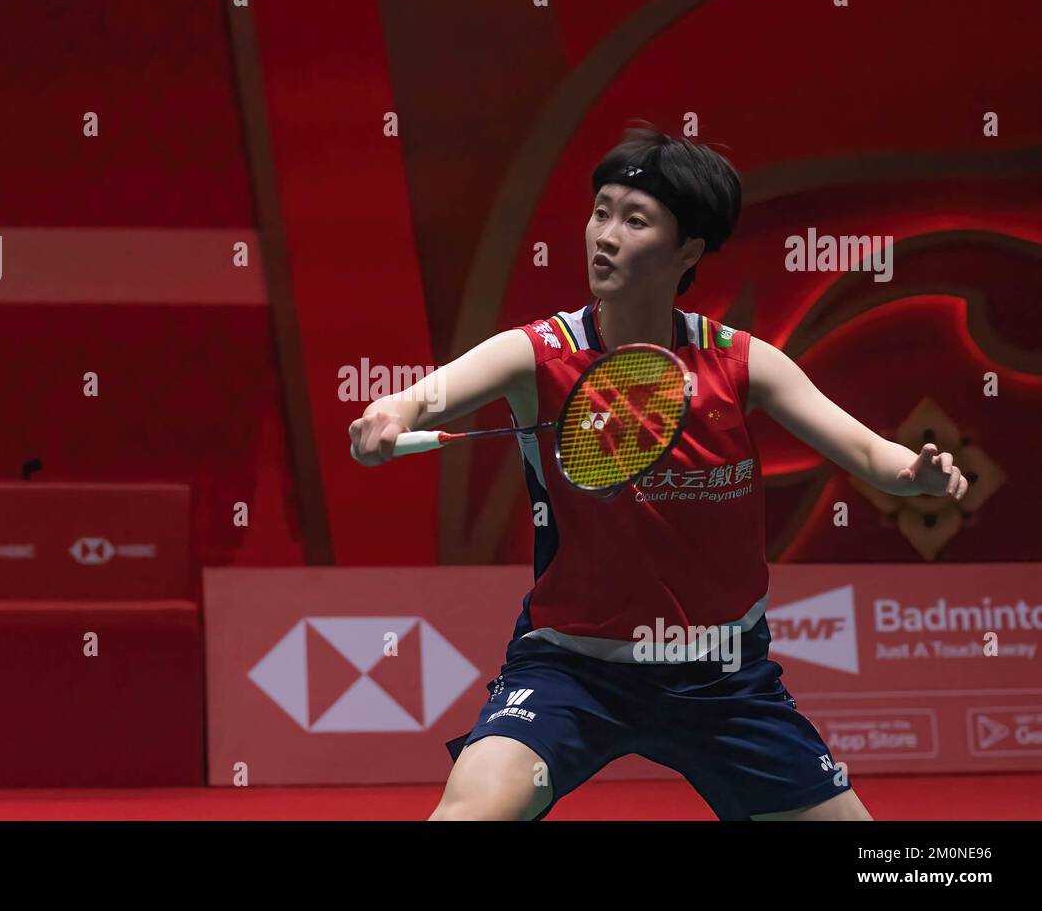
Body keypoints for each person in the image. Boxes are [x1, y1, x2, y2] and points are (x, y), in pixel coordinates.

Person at [348, 124, 967, 821]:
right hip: (571, 668)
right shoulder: (539, 353)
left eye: (634, 220)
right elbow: (427, 394)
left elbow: (866, 454)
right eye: (600, 211)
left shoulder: (739, 361)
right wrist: (392, 411)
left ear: (689, 249)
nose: (604, 234)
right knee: (470, 815)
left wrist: (916, 474)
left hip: (722, 680)